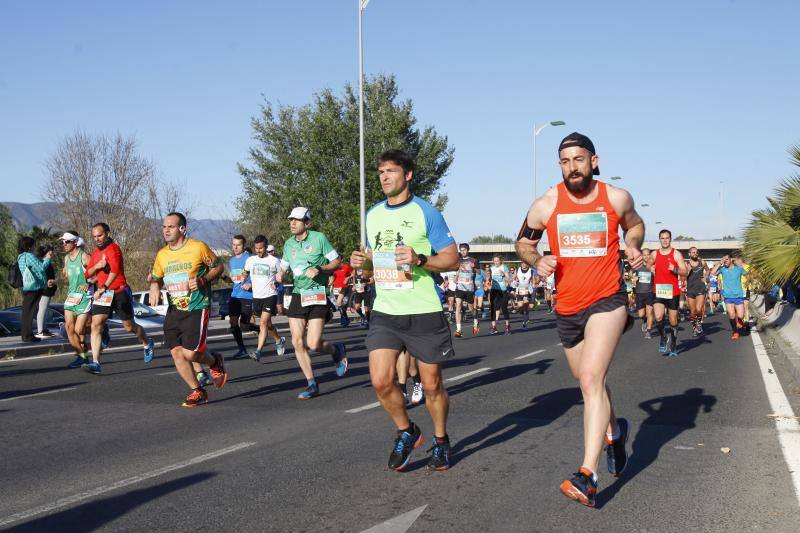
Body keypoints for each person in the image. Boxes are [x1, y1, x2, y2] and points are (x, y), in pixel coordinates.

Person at [515, 131, 645, 507]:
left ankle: (587, 475)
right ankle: (615, 430)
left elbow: (634, 224)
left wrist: (632, 245)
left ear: (594, 160)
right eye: (566, 161)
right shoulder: (546, 204)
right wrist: (537, 260)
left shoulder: (615, 197)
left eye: (579, 159)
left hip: (608, 299)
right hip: (568, 306)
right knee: (589, 382)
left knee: (591, 378)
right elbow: (523, 242)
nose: (573, 167)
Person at [351, 148, 459, 471]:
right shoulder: (372, 215)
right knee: (381, 381)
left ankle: (441, 440)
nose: (384, 177)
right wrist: (363, 264)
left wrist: (420, 259)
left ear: (407, 175)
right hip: (385, 310)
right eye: (381, 172)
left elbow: (452, 259)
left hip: (423, 309)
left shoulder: (427, 213)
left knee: (431, 385)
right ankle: (406, 430)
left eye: (391, 171)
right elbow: (373, 266)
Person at [150, 212, 227, 407]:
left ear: (182, 229)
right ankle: (197, 390)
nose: (166, 230)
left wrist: (203, 280)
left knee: (191, 354)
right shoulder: (162, 254)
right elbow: (156, 276)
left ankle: (215, 362)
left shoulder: (198, 247)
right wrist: (154, 286)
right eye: (164, 227)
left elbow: (218, 268)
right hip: (175, 308)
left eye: (171, 227)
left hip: (197, 306)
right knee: (176, 352)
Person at [278, 207, 349, 400]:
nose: (292, 223)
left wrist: (320, 268)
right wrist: (281, 273)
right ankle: (311, 383)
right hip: (298, 294)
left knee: (313, 343)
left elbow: (338, 262)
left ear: (307, 223)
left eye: (297, 220)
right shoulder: (288, 244)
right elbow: (284, 265)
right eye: (291, 219)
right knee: (297, 341)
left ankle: (336, 350)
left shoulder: (319, 238)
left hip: (317, 295)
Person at [84, 222, 154, 374]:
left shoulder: (114, 249)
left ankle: (147, 342)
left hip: (119, 291)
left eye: (100, 235)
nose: (97, 239)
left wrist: (103, 287)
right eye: (95, 237)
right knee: (96, 324)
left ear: (108, 233)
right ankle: (95, 363)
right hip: (105, 295)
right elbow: (88, 273)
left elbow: (114, 271)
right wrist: (97, 266)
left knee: (129, 326)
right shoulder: (95, 253)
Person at [242, 235, 287, 361]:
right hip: (256, 296)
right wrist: (243, 279)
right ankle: (279, 340)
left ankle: (258, 351)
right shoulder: (251, 260)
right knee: (267, 324)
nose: (258, 251)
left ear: (266, 247)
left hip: (270, 295)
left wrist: (277, 283)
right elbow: (245, 272)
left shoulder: (274, 261)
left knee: (262, 323)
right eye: (256, 248)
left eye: (261, 248)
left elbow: (282, 276)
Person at [650, 229, 688, 357]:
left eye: (667, 238)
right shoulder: (654, 254)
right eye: (662, 238)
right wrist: (651, 268)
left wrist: (675, 269)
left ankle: (673, 343)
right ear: (659, 239)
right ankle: (663, 337)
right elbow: (648, 264)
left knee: (673, 321)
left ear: (670, 239)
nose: (665, 240)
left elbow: (685, 272)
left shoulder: (676, 254)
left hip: (673, 292)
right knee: (659, 318)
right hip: (659, 290)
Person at [61, 232, 93, 368]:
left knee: (79, 330)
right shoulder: (66, 259)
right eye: (63, 242)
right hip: (71, 296)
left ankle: (101, 330)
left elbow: (97, 275)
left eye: (67, 242)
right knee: (69, 327)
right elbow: (66, 276)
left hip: (84, 297)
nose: (64, 244)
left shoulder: (85, 257)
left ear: (75, 242)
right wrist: (55, 280)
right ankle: (82, 356)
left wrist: (89, 283)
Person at [222, 234, 255, 358]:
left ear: (244, 245)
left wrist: (251, 284)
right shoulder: (232, 261)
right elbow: (234, 280)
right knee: (233, 322)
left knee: (244, 326)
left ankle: (261, 330)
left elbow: (258, 275)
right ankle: (242, 349)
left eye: (238, 245)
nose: (235, 247)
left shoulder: (250, 258)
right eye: (234, 245)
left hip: (247, 295)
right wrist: (224, 278)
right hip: (235, 295)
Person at [16, 236, 53, 343]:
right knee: (30, 312)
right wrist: (48, 258)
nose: (34, 247)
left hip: (27, 286)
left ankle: (26, 335)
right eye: (33, 245)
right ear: (29, 246)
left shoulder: (20, 257)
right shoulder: (29, 255)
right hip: (34, 286)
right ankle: (28, 336)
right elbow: (41, 267)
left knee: (27, 312)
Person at [712, 253, 748, 340]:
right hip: (728, 297)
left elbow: (747, 275)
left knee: (740, 315)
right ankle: (735, 332)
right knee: (732, 315)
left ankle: (739, 321)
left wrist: (749, 281)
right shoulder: (723, 269)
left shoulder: (739, 269)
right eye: (723, 260)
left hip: (738, 296)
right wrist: (719, 263)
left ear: (731, 259)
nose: (725, 262)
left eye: (726, 260)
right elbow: (712, 273)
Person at [453, 243, 478, 337]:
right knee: (458, 305)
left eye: (464, 250)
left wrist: (474, 267)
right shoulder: (458, 260)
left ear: (468, 250)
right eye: (461, 250)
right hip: (460, 286)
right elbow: (458, 270)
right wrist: (456, 276)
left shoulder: (473, 260)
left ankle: (476, 320)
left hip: (469, 287)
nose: (463, 251)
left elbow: (479, 271)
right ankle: (458, 329)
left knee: (471, 308)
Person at [685, 247, 709, 336]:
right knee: (692, 311)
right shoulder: (686, 264)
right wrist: (687, 271)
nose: (695, 253)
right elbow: (682, 276)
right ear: (689, 254)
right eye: (693, 252)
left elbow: (708, 270)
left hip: (700, 288)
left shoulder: (702, 262)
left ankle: (699, 324)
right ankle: (694, 328)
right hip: (690, 290)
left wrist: (706, 277)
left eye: (696, 252)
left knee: (699, 309)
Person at [35, 245, 57, 338]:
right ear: (45, 252)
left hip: (48, 288)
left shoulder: (47, 262)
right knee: (42, 309)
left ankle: (44, 329)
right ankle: (40, 331)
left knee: (45, 309)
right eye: (50, 251)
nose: (52, 253)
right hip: (44, 289)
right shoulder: (43, 262)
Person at [633, 248, 655, 338]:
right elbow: (630, 275)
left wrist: (655, 273)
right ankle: (644, 320)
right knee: (641, 314)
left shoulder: (653, 266)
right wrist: (633, 279)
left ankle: (648, 331)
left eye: (648, 254)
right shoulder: (637, 266)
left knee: (650, 313)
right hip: (639, 293)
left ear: (650, 255)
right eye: (644, 255)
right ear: (642, 256)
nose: (646, 256)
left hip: (650, 292)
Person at [489, 254, 511, 335]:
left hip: (502, 291)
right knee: (493, 309)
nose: (496, 262)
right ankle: (494, 327)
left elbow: (509, 280)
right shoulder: (492, 268)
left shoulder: (504, 268)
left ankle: (507, 326)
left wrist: (503, 275)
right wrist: (488, 282)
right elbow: (489, 278)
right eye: (494, 261)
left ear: (500, 261)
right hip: (494, 291)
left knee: (504, 309)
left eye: (497, 261)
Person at [515, 262, 534, 328]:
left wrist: (533, 286)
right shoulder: (518, 269)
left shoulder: (531, 271)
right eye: (522, 263)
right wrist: (515, 283)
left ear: (527, 264)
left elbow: (534, 281)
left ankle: (524, 322)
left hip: (527, 291)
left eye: (524, 263)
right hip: (519, 291)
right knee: (520, 307)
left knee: (526, 305)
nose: (523, 264)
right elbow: (515, 278)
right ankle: (525, 315)